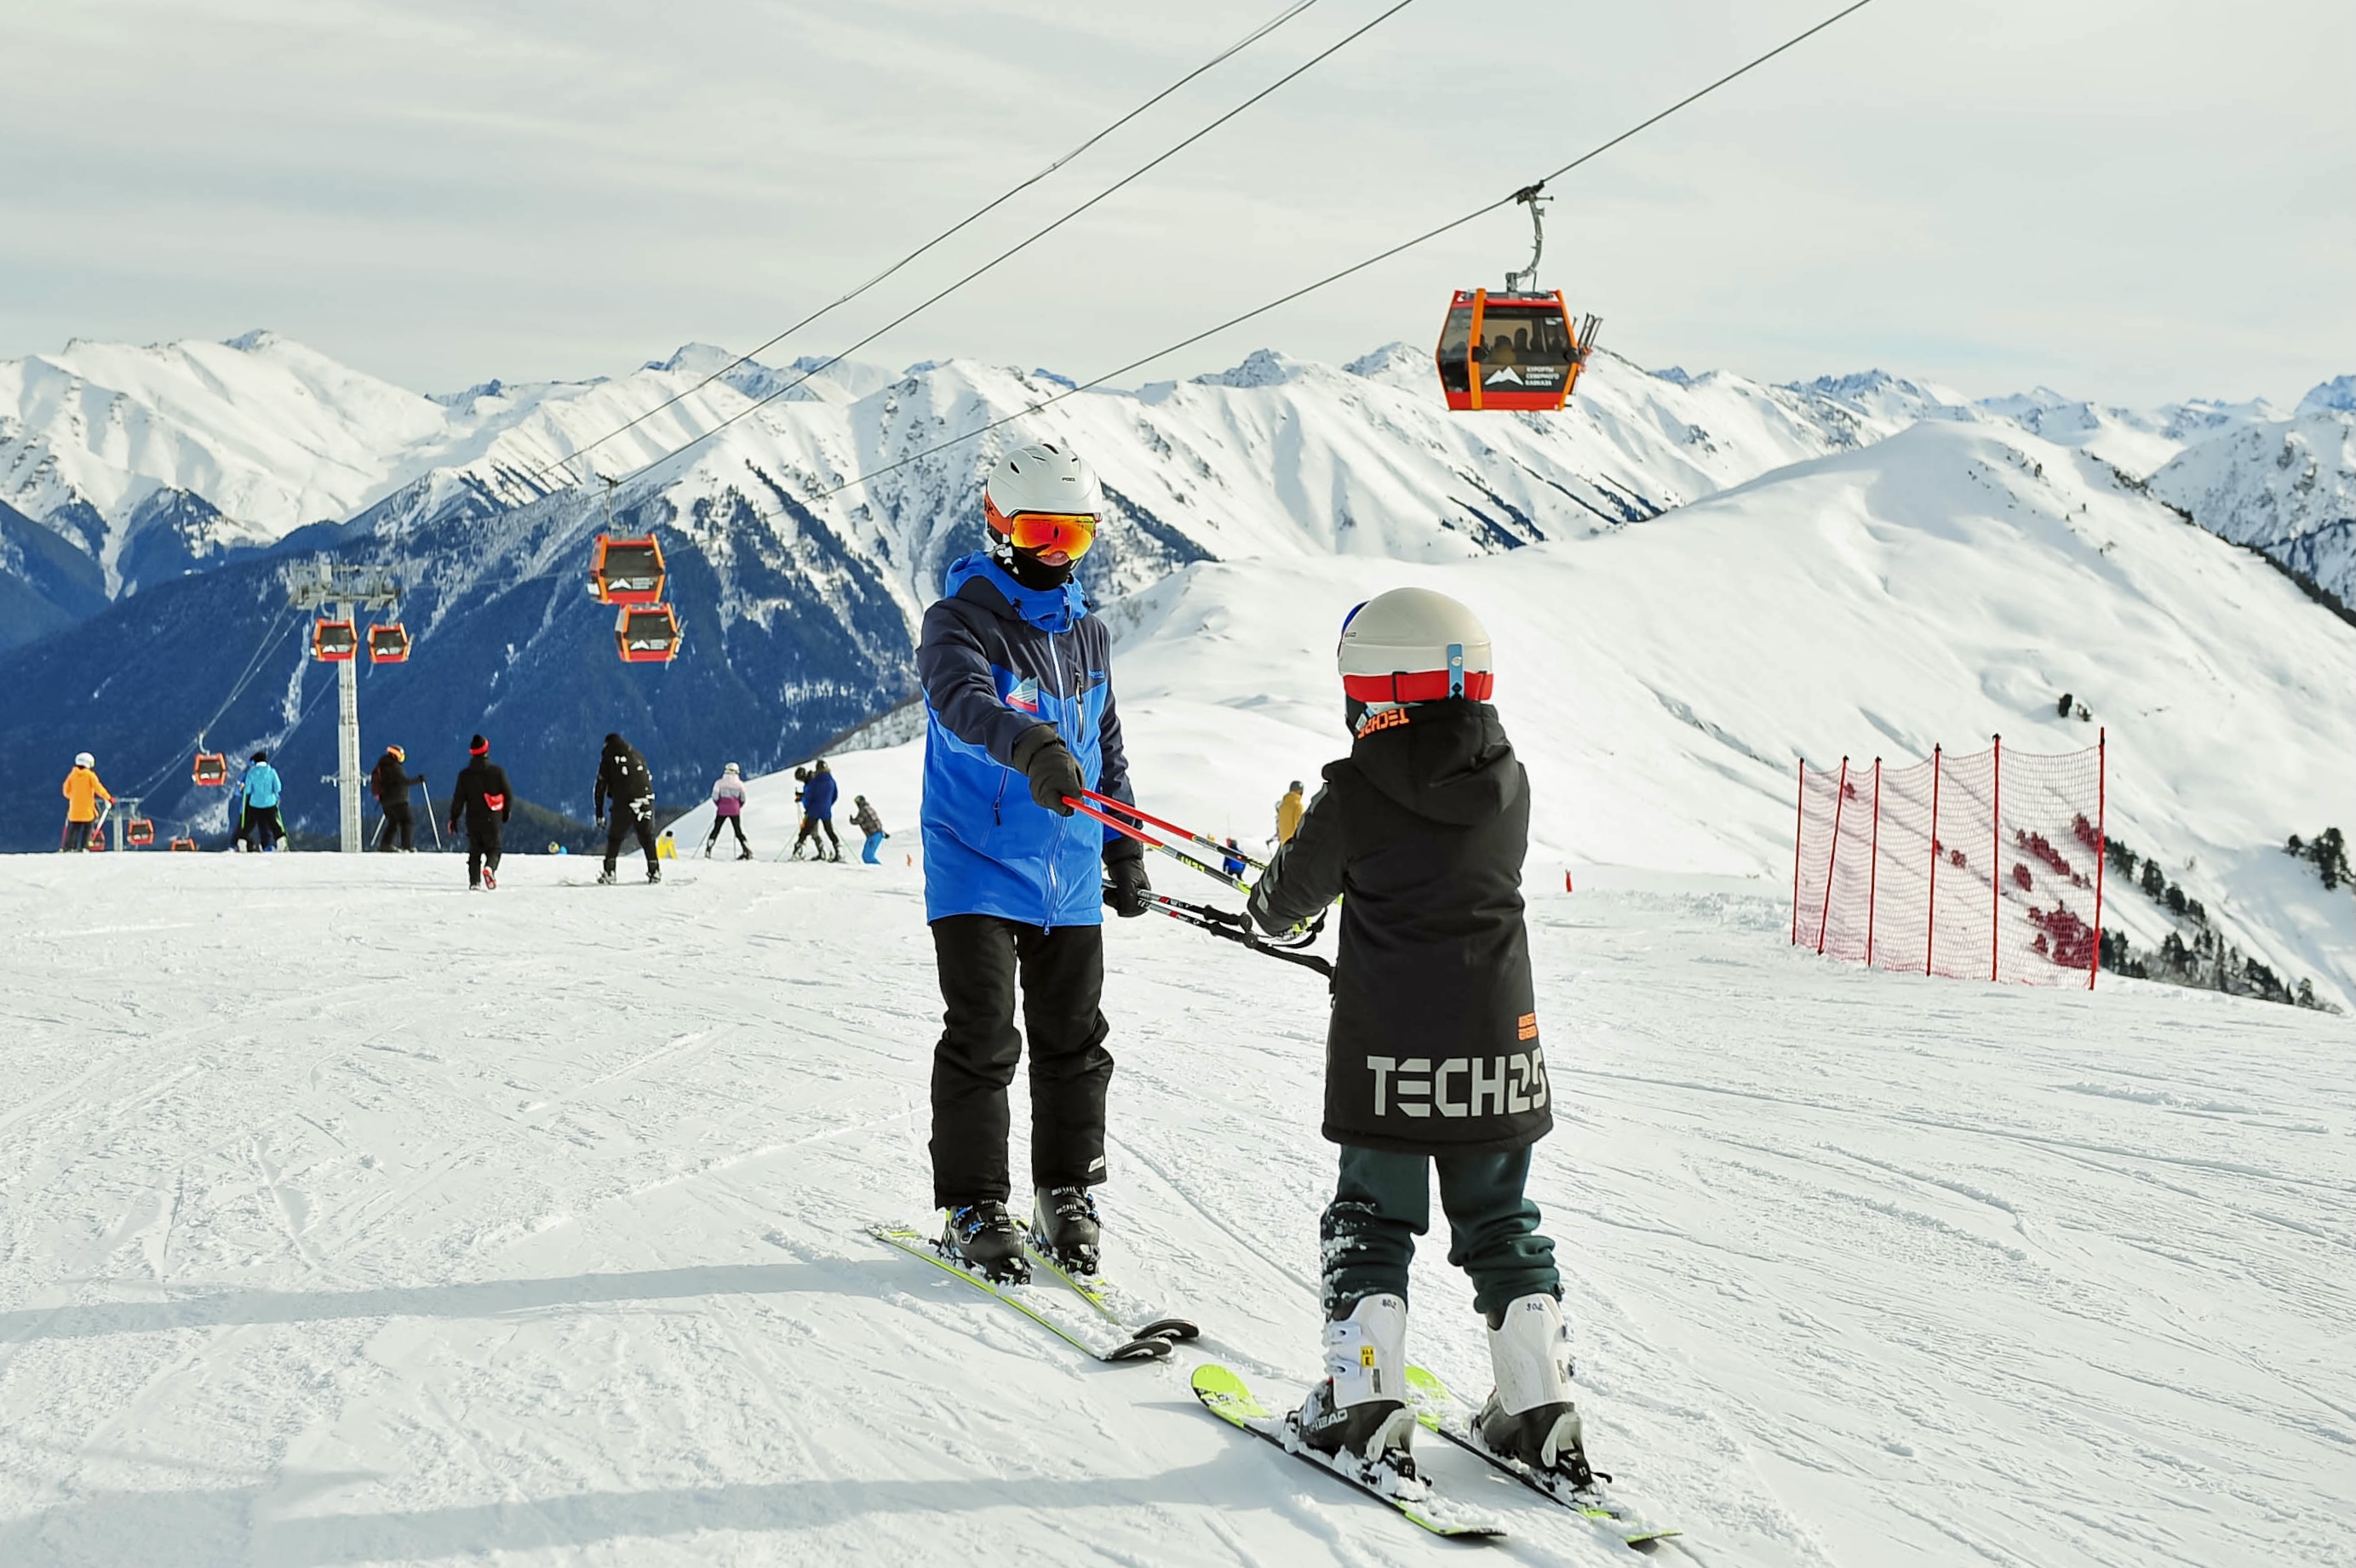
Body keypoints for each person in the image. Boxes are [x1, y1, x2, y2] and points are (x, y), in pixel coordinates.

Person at [1246, 587, 1585, 1484]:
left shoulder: (1356, 789)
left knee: (1371, 1219)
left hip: (1389, 1051)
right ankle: (1538, 1405)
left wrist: (1268, 904)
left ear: (1373, 682)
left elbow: (1282, 905)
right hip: (1499, 1045)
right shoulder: (1506, 775)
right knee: (1502, 1220)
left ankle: (1365, 1407)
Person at [918, 440, 1149, 1280]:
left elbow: (1107, 743)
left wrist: (1122, 845)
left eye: (1075, 535)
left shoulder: (1088, 634)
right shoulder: (958, 623)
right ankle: (973, 1203)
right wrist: (1033, 744)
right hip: (975, 860)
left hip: (1071, 870)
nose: (1056, 550)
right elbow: (960, 706)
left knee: (1074, 1041)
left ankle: (1064, 1191)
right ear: (997, 522)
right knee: (983, 1035)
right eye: (1041, 529)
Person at [448, 734, 513, 890]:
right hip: (492, 818)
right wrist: (505, 813)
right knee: (494, 848)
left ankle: (474, 883)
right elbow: (508, 794)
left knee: (474, 851)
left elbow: (458, 800)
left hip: (473, 819)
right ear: (486, 750)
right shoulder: (497, 772)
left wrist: (453, 819)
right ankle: (489, 868)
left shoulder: (464, 775)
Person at [60, 752, 112, 852]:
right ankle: (84, 846)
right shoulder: (90, 776)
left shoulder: (72, 775)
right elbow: (98, 788)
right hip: (87, 809)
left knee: (74, 828)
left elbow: (66, 790)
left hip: (74, 809)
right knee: (88, 828)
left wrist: (73, 796)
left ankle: (69, 846)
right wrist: (108, 798)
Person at [791, 758, 843, 861]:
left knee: (805, 831)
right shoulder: (832, 781)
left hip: (814, 811)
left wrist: (804, 802)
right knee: (829, 831)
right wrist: (827, 805)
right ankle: (839, 852)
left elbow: (809, 796)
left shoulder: (815, 782)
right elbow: (835, 795)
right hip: (825, 811)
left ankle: (798, 852)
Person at [370, 744, 419, 851]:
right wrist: (418, 780)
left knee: (393, 822)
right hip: (398, 800)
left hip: (385, 801)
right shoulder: (394, 767)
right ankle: (407, 846)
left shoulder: (383, 766)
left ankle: (385, 844)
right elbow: (404, 781)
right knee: (407, 820)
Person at [242, 751, 286, 851]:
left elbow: (248, 790)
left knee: (250, 824)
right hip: (270, 803)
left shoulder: (251, 773)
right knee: (273, 823)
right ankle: (281, 841)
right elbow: (278, 788)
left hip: (255, 804)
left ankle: (242, 842)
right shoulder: (272, 772)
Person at [705, 762, 751, 859]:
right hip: (735, 810)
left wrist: (720, 805)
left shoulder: (719, 783)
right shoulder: (740, 785)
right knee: (738, 831)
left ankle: (709, 849)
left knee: (716, 830)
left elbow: (715, 797)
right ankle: (746, 850)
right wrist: (737, 806)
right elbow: (743, 799)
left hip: (722, 810)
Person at [851, 793, 888, 864]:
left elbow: (859, 820)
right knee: (866, 856)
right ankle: (877, 870)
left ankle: (880, 870)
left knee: (868, 857)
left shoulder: (863, 810)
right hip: (876, 834)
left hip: (874, 835)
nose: (857, 803)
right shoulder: (869, 808)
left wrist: (852, 821)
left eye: (858, 801)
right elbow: (875, 821)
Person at [1275, 780, 1305, 844]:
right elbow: (1299, 826)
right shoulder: (1298, 806)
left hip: (1284, 844)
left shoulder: (1282, 806)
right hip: (1293, 844)